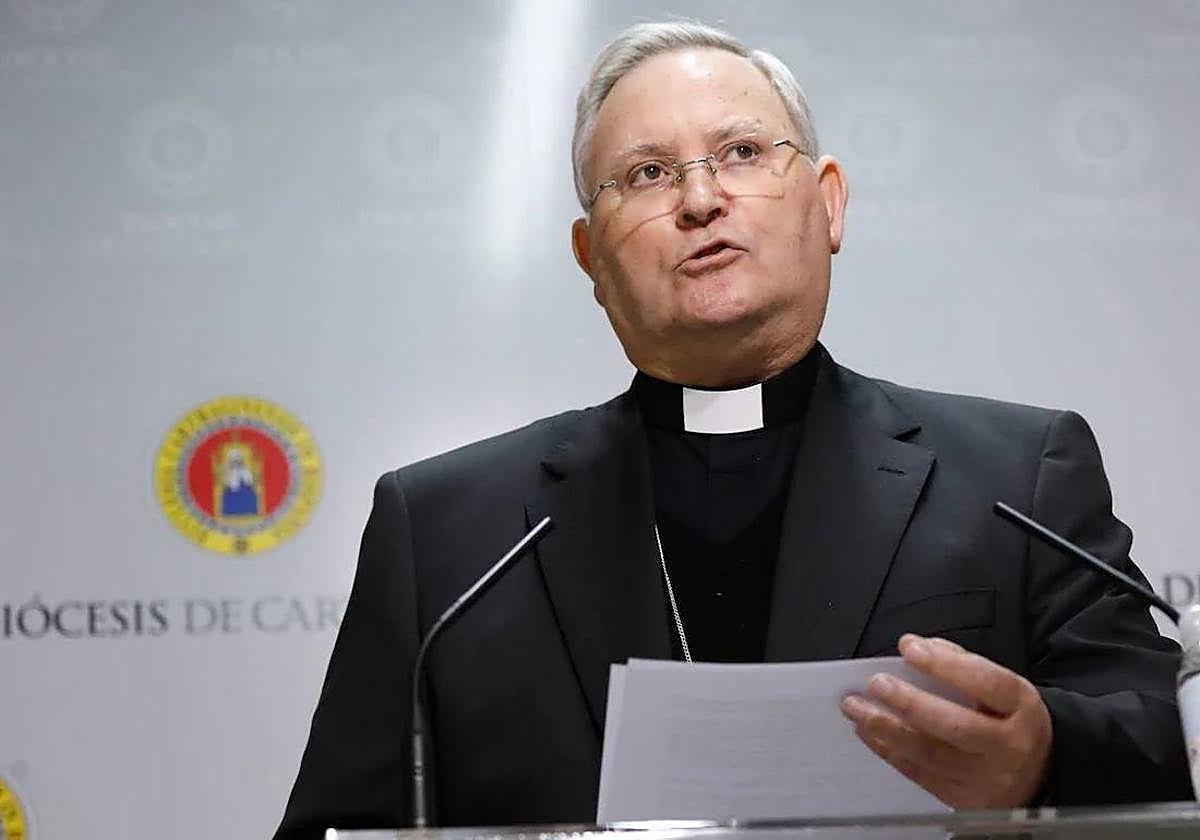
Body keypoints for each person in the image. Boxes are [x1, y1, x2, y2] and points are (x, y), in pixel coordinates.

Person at [274, 21, 1190, 839]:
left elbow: (1169, 743)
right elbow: (336, 830)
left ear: (828, 204)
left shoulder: (1016, 479)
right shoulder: (448, 535)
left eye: (743, 152)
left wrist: (1043, 757)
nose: (701, 200)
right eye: (648, 174)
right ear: (591, 259)